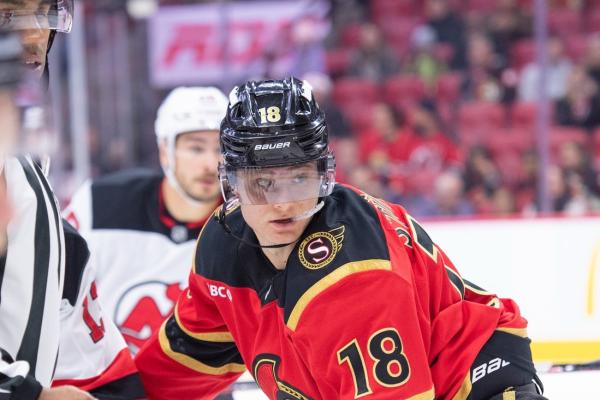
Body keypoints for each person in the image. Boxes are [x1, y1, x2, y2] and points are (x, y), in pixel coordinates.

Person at [135, 77, 548, 399]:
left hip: (473, 385)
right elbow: (188, 358)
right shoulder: (222, 245)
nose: (282, 203)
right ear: (234, 184)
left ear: (323, 176)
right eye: (262, 182)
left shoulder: (356, 273)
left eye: (298, 178)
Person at [0, 1, 144, 398]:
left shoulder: (26, 170)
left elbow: (99, 369)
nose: (34, 33)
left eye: (44, 14)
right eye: (8, 13)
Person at [64, 86, 227, 354]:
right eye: (196, 149)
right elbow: (53, 292)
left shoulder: (247, 223)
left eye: (222, 148)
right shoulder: (99, 204)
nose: (211, 164)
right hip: (109, 375)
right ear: (165, 151)